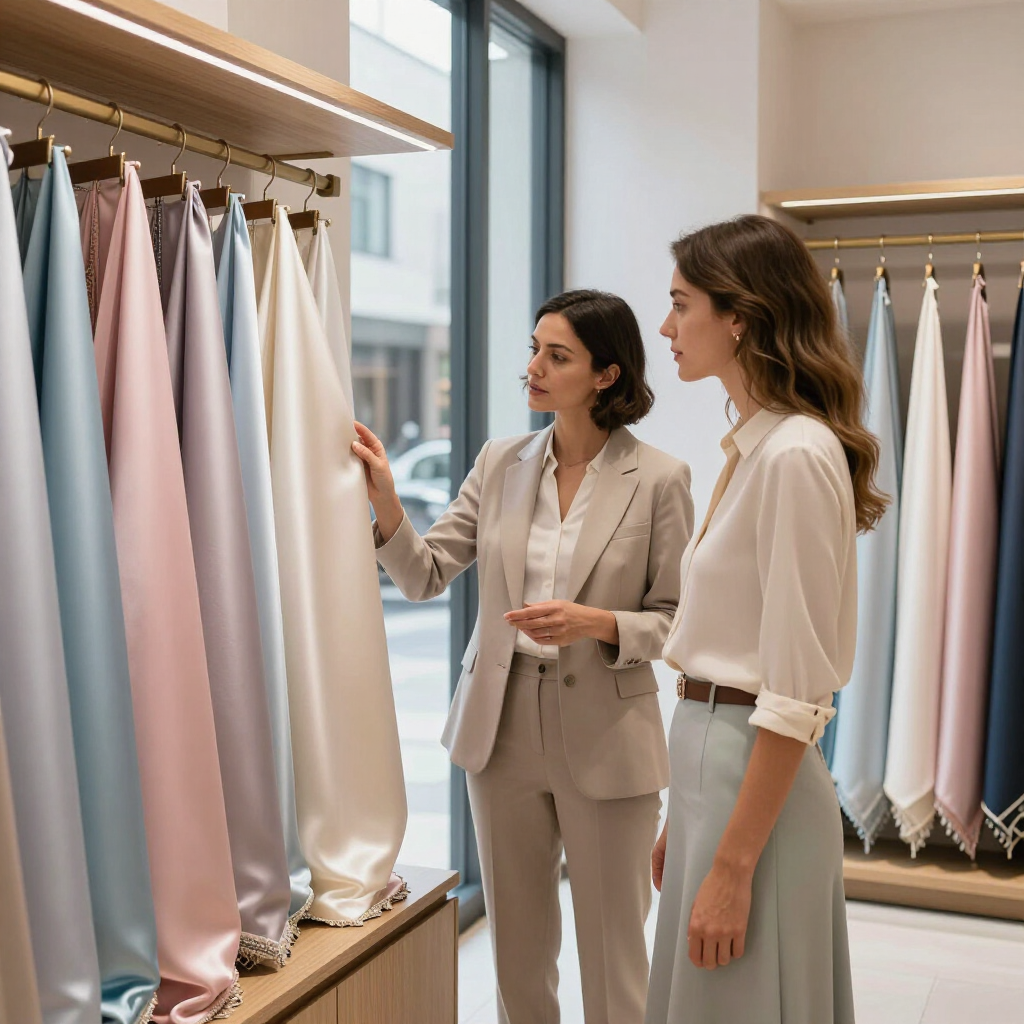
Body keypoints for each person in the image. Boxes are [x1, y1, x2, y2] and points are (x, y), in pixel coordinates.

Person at [352, 289, 694, 1024]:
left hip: (608, 733)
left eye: (557, 355)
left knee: (613, 959)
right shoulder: (499, 462)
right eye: (535, 349)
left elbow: (675, 622)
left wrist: (597, 623)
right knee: (517, 955)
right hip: (500, 729)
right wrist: (386, 501)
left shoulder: (660, 479)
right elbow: (423, 575)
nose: (533, 367)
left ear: (606, 374)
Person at [646, 215, 885, 1024]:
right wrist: (685, 814)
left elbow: (793, 691)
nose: (667, 327)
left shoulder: (793, 456)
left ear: (739, 317)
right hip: (716, 764)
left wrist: (733, 864)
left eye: (682, 304)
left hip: (749, 771)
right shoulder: (759, 449)